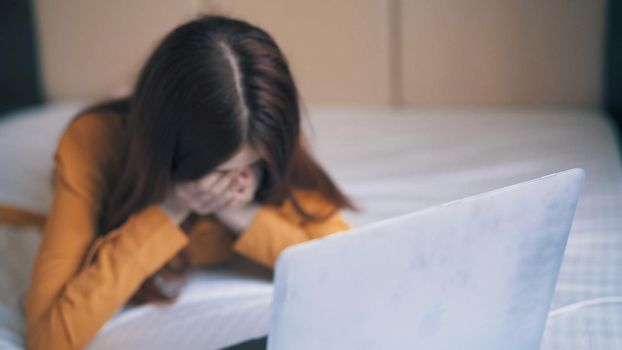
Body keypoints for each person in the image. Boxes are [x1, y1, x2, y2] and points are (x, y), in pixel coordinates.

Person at [23, 14, 357, 349]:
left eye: (251, 166)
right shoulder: (92, 142)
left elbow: (344, 272)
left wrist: (241, 214)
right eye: (219, 170)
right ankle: (130, 98)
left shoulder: (262, 126)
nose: (235, 181)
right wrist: (171, 208)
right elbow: (50, 338)